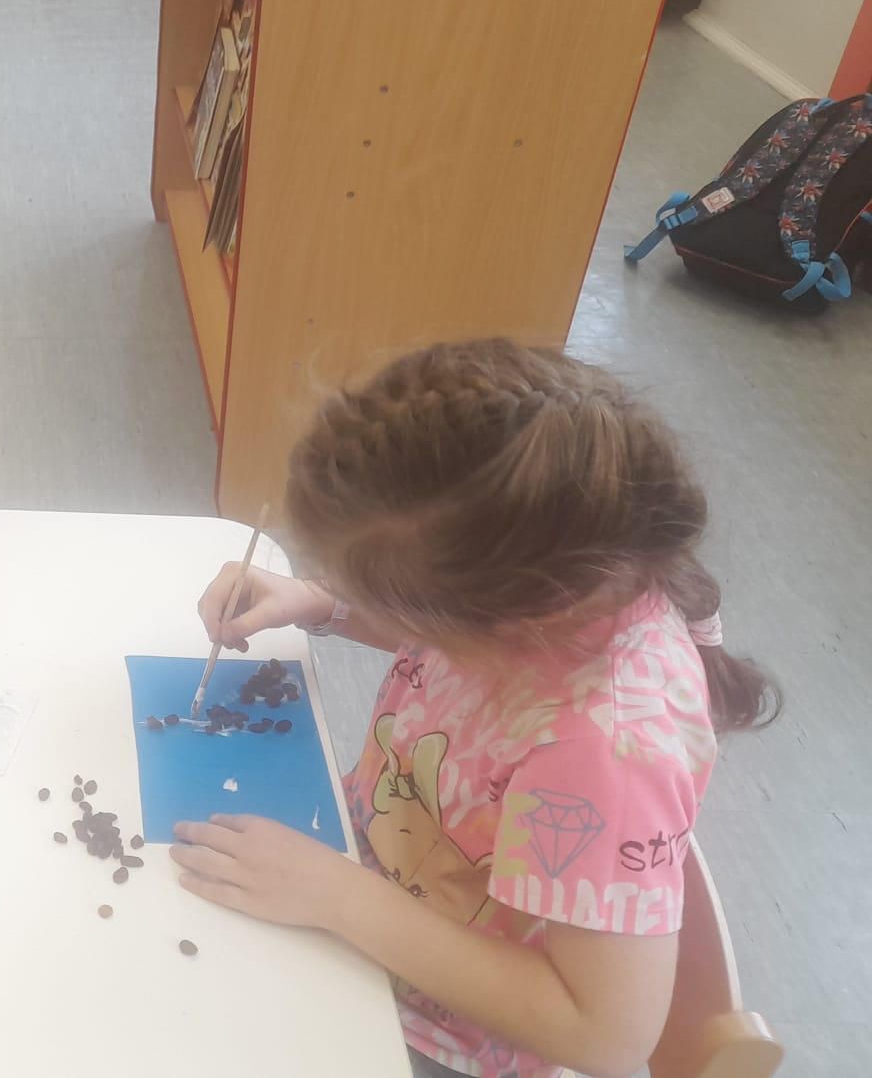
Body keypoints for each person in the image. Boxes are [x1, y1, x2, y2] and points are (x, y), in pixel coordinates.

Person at [180, 340, 777, 1078]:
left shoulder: (604, 754)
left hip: (441, 1036)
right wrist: (320, 602)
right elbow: (437, 631)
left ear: (496, 620)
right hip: (358, 887)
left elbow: (607, 1036)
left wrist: (341, 897)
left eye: (395, 603)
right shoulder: (565, 582)